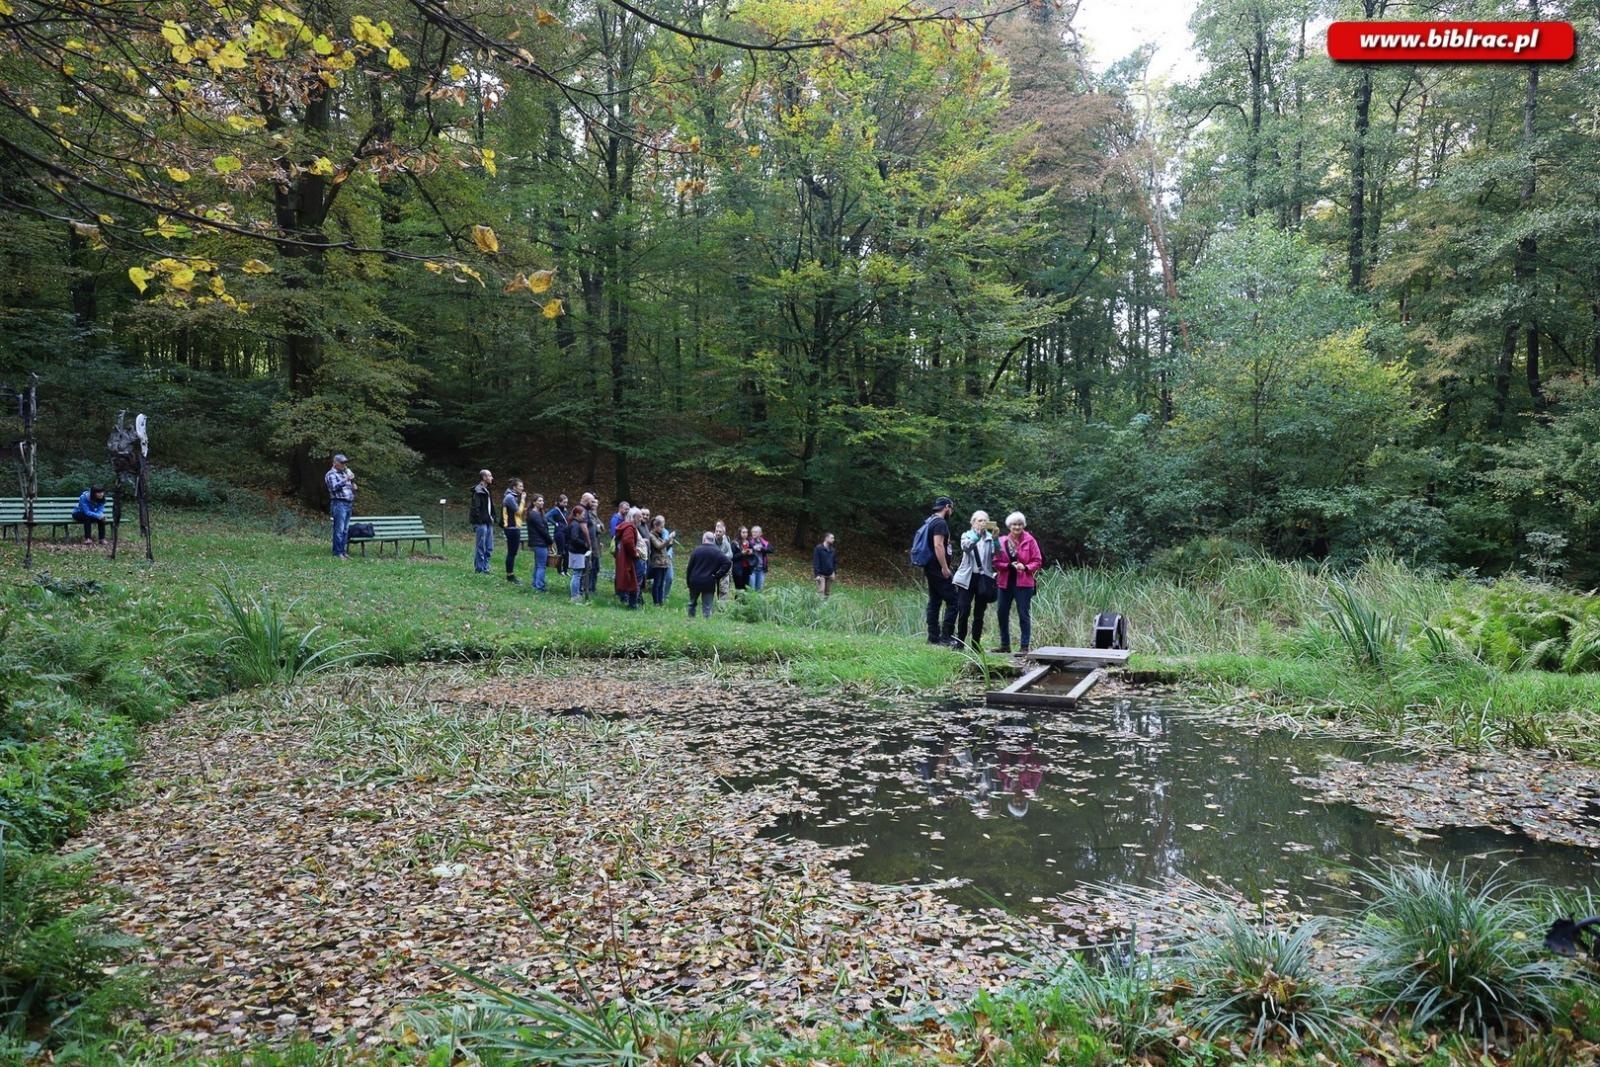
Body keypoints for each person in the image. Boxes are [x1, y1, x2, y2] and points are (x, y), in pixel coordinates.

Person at [994, 511, 1043, 654]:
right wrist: (1008, 566)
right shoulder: (1001, 541)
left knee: (1023, 614)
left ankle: (1024, 646)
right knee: (1001, 613)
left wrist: (1026, 567)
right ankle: (1005, 645)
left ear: (1023, 525)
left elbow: (1038, 560)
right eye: (1014, 524)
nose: (1017, 527)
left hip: (1024, 583)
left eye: (1020, 524)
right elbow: (996, 562)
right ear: (1009, 526)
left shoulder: (1030, 540)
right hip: (1005, 583)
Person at [953, 511, 998, 652]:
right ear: (972, 522)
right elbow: (966, 547)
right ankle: (960, 643)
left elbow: (998, 556)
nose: (982, 523)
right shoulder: (966, 535)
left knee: (979, 613)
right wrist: (977, 535)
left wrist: (996, 540)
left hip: (984, 578)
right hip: (967, 577)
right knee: (964, 610)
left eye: (985, 521)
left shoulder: (990, 538)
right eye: (979, 520)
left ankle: (976, 645)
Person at [920, 496, 959, 646]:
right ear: (947, 507)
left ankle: (933, 637)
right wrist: (945, 567)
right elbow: (938, 545)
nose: (951, 511)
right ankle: (946, 637)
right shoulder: (940, 523)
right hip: (937, 568)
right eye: (951, 508)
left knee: (935, 601)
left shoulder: (929, 520)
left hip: (930, 567)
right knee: (953, 601)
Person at [685, 531, 732, 618]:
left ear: (704, 539)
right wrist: (718, 575)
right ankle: (706, 624)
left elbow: (689, 568)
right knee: (707, 606)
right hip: (709, 582)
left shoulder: (696, 550)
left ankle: (690, 620)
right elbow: (728, 562)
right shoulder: (717, 552)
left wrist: (688, 581)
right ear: (713, 540)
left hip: (695, 581)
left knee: (692, 603)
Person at [323, 454, 356, 559]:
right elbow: (333, 488)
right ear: (335, 463)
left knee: (345, 529)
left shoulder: (344, 473)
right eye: (342, 463)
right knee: (339, 529)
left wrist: (353, 487)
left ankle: (343, 551)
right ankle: (337, 552)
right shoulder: (330, 474)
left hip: (348, 504)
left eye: (345, 462)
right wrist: (346, 479)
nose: (344, 464)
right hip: (339, 503)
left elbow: (348, 488)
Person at [614, 506, 642, 608]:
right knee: (634, 581)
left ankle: (632, 602)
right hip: (628, 559)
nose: (641, 519)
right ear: (633, 517)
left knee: (632, 580)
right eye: (639, 517)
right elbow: (628, 541)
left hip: (625, 558)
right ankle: (632, 604)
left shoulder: (627, 526)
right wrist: (635, 553)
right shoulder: (630, 528)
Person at [469, 469, 495, 574]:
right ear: (484, 478)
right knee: (481, 545)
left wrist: (493, 516)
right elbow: (476, 509)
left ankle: (486, 567)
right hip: (481, 523)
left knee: (489, 546)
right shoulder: (478, 491)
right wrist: (480, 520)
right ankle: (479, 569)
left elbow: (490, 507)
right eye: (490, 476)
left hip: (488, 522)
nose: (492, 478)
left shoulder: (487, 490)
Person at [500, 478, 525, 583]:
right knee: (511, 552)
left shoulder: (512, 497)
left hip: (514, 528)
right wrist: (523, 499)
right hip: (511, 528)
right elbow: (519, 512)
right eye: (520, 486)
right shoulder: (510, 497)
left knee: (513, 552)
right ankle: (510, 576)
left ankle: (510, 575)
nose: (522, 488)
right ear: (514, 487)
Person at [526, 493, 552, 592]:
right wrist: (549, 541)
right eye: (539, 501)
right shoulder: (534, 514)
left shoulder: (537, 513)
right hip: (539, 542)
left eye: (542, 500)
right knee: (541, 565)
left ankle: (535, 583)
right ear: (534, 502)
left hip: (538, 542)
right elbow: (542, 529)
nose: (542, 502)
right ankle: (539, 586)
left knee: (538, 564)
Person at [566, 504, 591, 602]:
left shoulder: (573, 523)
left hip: (576, 551)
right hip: (577, 552)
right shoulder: (575, 525)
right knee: (577, 574)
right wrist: (584, 544)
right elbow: (574, 538)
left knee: (577, 573)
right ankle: (574, 596)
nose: (584, 516)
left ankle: (576, 594)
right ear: (577, 514)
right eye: (582, 514)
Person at [647, 515, 673, 606]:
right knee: (657, 583)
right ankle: (656, 602)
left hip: (664, 563)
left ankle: (661, 602)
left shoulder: (659, 535)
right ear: (656, 526)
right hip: (657, 563)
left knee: (662, 583)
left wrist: (670, 543)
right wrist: (668, 539)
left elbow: (664, 549)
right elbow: (658, 546)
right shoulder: (651, 535)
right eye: (661, 527)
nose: (663, 529)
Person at [582, 492, 602, 595]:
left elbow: (601, 527)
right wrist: (598, 527)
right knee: (590, 568)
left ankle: (592, 587)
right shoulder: (587, 513)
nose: (594, 504)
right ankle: (588, 588)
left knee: (596, 567)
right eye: (592, 502)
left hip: (596, 545)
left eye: (595, 502)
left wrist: (599, 527)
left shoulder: (595, 514)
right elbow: (593, 529)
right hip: (591, 546)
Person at [712, 521, 735, 600]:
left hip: (724, 569)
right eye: (716, 531)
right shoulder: (711, 539)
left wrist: (721, 557)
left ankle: (722, 609)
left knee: (723, 590)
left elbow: (731, 555)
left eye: (720, 531)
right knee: (711, 589)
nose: (718, 533)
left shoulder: (726, 540)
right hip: (713, 569)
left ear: (724, 532)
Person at [550, 494, 570, 577]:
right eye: (564, 502)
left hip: (566, 532)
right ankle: (559, 570)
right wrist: (555, 523)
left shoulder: (565, 510)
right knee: (561, 552)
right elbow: (547, 516)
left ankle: (565, 570)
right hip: (559, 533)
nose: (565, 504)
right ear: (559, 502)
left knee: (567, 552)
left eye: (566, 502)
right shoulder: (555, 510)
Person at [813, 532, 837, 598]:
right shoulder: (818, 548)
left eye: (833, 538)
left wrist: (834, 572)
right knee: (821, 592)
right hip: (821, 575)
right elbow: (816, 562)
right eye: (832, 538)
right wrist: (817, 574)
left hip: (830, 574)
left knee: (827, 593)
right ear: (826, 538)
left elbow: (834, 562)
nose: (833, 540)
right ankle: (820, 607)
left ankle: (826, 607)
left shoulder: (832, 550)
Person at [749, 525, 772, 592]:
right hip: (752, 569)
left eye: (756, 532)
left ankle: (757, 603)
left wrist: (761, 548)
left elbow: (771, 549)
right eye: (752, 532)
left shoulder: (763, 542)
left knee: (759, 590)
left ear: (760, 533)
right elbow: (745, 549)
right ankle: (750, 602)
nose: (754, 533)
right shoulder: (749, 541)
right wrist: (753, 548)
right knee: (751, 590)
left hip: (761, 569)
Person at [661, 515, 678, 600]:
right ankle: (660, 596)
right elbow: (662, 545)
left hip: (668, 558)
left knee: (670, 578)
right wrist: (670, 538)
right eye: (660, 522)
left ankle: (665, 595)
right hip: (659, 559)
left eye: (663, 522)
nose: (662, 524)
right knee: (660, 579)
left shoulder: (666, 531)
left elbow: (669, 546)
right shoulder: (655, 533)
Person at [732, 525, 753, 591]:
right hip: (737, 569)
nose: (745, 534)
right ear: (739, 533)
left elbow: (752, 553)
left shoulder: (749, 542)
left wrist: (751, 552)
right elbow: (732, 557)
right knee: (739, 589)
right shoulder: (735, 543)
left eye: (746, 532)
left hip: (747, 568)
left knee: (746, 588)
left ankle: (744, 601)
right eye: (743, 532)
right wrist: (741, 553)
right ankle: (737, 601)